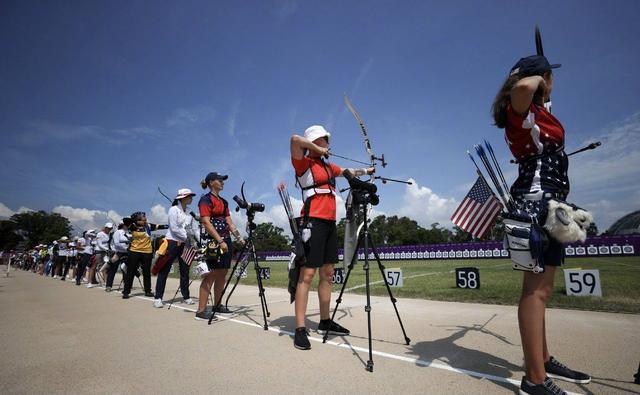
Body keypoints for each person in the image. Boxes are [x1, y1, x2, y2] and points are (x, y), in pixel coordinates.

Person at [492, 49, 591, 394]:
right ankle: (534, 379)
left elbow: (529, 96)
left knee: (543, 290)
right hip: (534, 206)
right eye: (551, 79)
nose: (553, 86)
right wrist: (536, 78)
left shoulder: (536, 114)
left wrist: (543, 92)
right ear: (541, 81)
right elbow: (520, 90)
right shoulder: (519, 109)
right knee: (535, 292)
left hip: (551, 206)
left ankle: (543, 358)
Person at [290, 125, 374, 350]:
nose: (327, 143)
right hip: (312, 222)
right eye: (323, 140)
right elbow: (295, 139)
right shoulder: (304, 163)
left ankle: (325, 321)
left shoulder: (328, 166)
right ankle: (299, 328)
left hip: (329, 223)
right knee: (307, 275)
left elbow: (347, 171)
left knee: (327, 273)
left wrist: (368, 171)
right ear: (315, 142)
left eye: (326, 140)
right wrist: (314, 147)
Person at [195, 172, 244, 320]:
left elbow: (229, 223)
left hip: (226, 239)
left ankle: (218, 305)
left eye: (223, 180)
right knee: (211, 274)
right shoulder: (205, 200)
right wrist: (220, 241)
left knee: (223, 273)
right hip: (212, 241)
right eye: (219, 179)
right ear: (211, 182)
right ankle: (201, 310)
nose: (222, 182)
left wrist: (240, 238)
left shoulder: (224, 201)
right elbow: (206, 222)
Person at [152, 188, 198, 308]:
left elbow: (194, 228)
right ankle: (158, 297)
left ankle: (186, 296)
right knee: (164, 270)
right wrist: (186, 236)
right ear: (182, 198)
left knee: (185, 271)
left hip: (185, 244)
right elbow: (174, 228)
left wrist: (199, 240)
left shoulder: (190, 212)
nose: (191, 198)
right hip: (172, 242)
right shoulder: (173, 209)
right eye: (189, 196)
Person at [122, 212, 167, 299]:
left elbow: (162, 226)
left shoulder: (148, 226)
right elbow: (125, 220)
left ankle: (148, 291)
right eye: (142, 218)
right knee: (130, 271)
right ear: (137, 220)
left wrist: (171, 225)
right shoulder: (132, 226)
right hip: (134, 251)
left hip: (147, 252)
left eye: (144, 217)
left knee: (146, 272)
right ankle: (126, 291)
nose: (145, 219)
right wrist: (135, 220)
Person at [105, 220, 131, 292]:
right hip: (117, 253)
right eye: (127, 224)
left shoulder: (128, 232)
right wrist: (127, 248)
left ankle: (126, 286)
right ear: (123, 225)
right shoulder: (117, 232)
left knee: (125, 269)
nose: (129, 225)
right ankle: (109, 286)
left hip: (125, 253)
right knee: (113, 269)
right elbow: (117, 244)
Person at [92, 223, 113, 288]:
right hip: (99, 251)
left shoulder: (108, 234)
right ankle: (90, 281)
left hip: (105, 252)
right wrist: (108, 249)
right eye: (108, 228)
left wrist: (109, 249)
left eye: (110, 228)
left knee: (105, 267)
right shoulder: (100, 234)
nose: (109, 229)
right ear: (105, 227)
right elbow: (100, 244)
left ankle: (105, 281)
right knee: (94, 266)